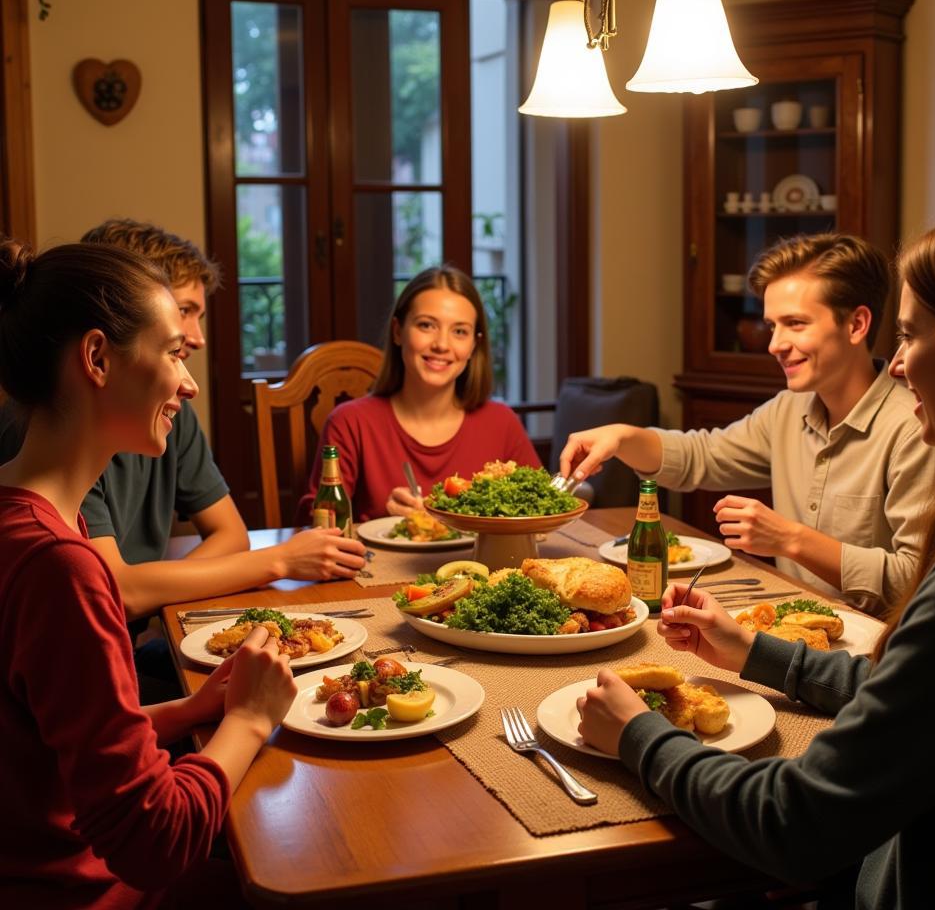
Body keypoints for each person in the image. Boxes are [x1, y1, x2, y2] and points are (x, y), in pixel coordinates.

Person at [577, 204, 935, 909]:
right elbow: (915, 692)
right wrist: (760, 652)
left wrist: (642, 735)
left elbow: (796, 821)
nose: (901, 364)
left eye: (912, 335)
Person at [0, 239, 298, 905]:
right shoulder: (59, 566)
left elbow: (51, 738)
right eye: (173, 352)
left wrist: (189, 710)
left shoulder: (33, 521)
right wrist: (249, 721)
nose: (188, 384)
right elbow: (154, 840)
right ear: (98, 358)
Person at [0, 220, 367, 630]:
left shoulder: (164, 414)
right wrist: (279, 559)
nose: (197, 338)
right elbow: (110, 590)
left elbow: (231, 534)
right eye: (182, 316)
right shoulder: (54, 436)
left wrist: (165, 601)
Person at [560, 233, 935, 614]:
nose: (774, 343)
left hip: (876, 648)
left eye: (795, 323)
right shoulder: (789, 409)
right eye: (772, 324)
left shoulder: (915, 428)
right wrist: (622, 437)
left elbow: (918, 579)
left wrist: (790, 539)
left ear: (857, 324)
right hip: (791, 622)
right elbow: (704, 456)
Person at [297, 265, 541, 523]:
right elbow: (315, 522)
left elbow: (541, 510)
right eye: (426, 325)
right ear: (398, 331)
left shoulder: (501, 422)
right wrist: (385, 518)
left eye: (459, 331)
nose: (441, 345)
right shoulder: (349, 422)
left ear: (473, 346)